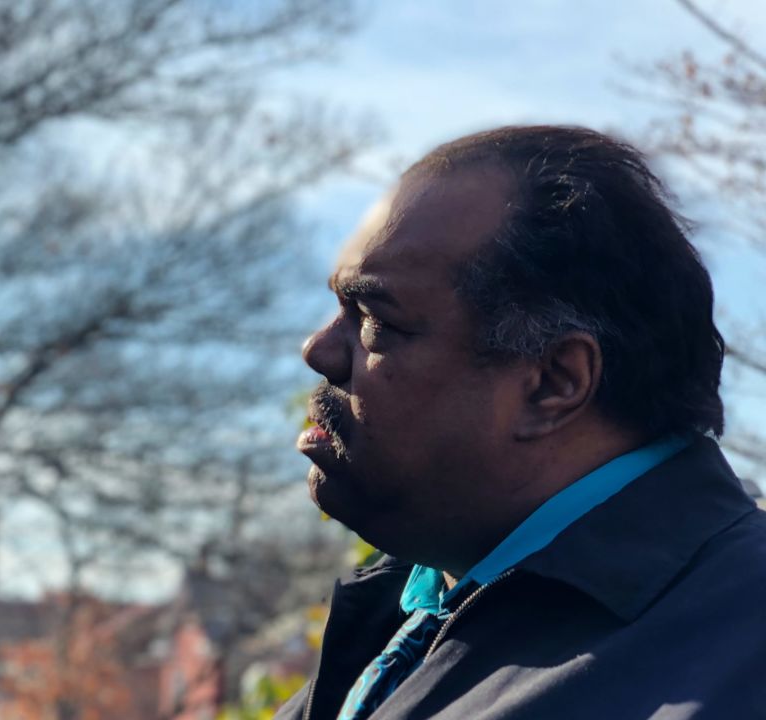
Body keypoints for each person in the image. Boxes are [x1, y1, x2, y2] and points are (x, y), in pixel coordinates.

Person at [277, 125, 766, 720]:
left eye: (376, 318)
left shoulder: (739, 645)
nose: (319, 350)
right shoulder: (417, 606)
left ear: (554, 382)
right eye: (338, 308)